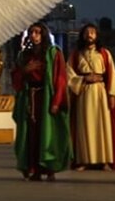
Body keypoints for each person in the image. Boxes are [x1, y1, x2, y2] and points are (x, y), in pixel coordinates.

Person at [11, 23, 71, 181]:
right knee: (31, 134)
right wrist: (25, 71)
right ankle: (34, 168)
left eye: (37, 32)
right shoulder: (24, 55)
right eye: (31, 32)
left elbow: (60, 78)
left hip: (46, 97)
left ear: (44, 35)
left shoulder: (53, 53)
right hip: (29, 97)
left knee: (47, 133)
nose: (34, 35)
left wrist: (57, 101)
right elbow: (16, 77)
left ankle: (49, 168)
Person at [67, 23, 115, 170]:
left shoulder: (104, 53)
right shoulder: (76, 54)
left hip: (100, 93)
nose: (89, 35)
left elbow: (112, 75)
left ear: (96, 35)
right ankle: (84, 159)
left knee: (102, 126)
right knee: (84, 126)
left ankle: (104, 159)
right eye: (86, 32)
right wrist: (84, 79)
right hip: (84, 93)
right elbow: (68, 75)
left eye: (92, 32)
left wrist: (112, 96)